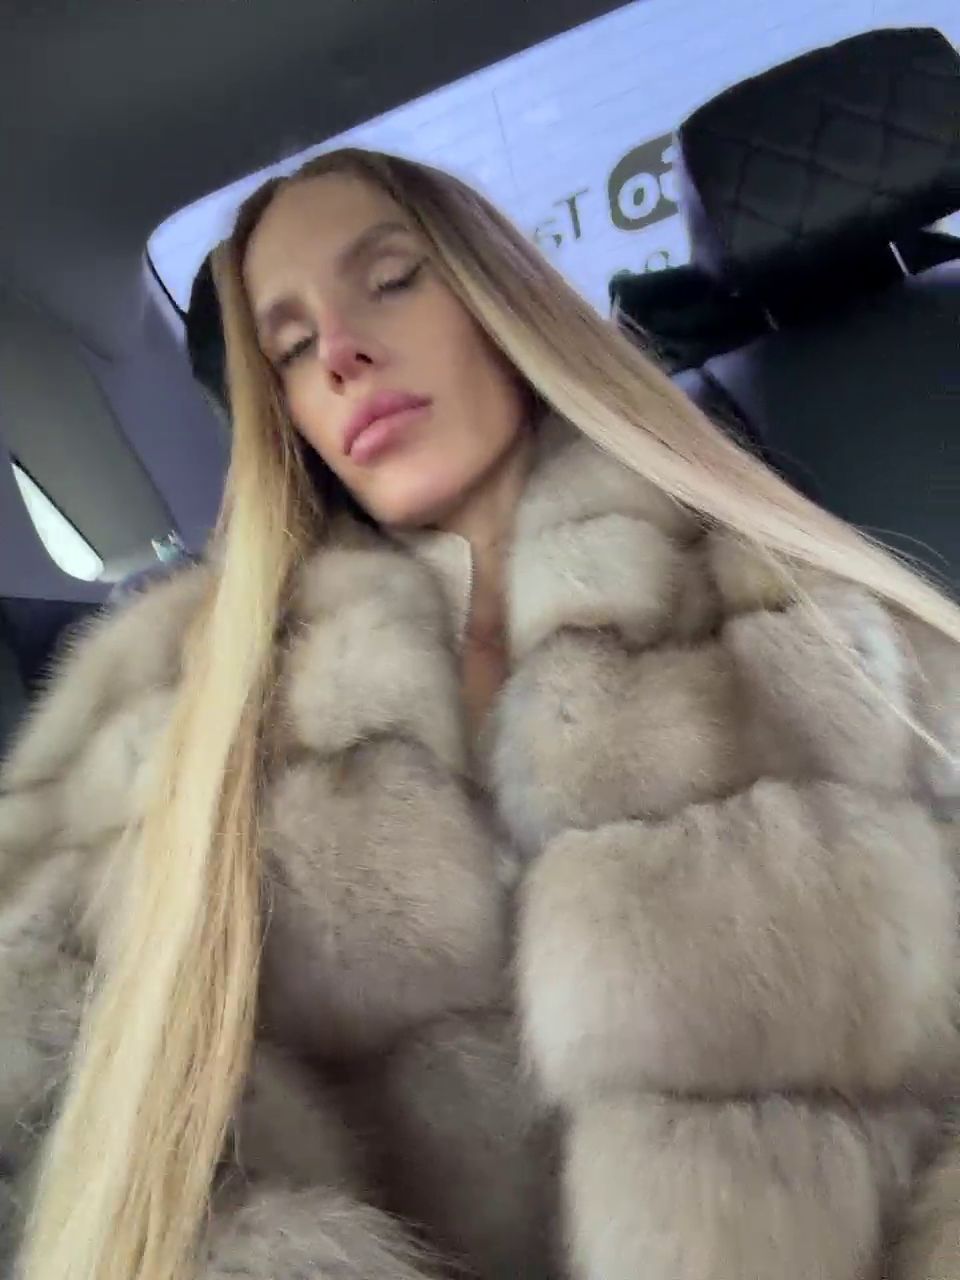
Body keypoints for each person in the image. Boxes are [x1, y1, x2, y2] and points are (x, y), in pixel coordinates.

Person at [1, 148, 958, 1280]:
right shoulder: (171, 700)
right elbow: (37, 1088)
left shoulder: (803, 614)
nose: (342, 353)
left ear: (499, 297)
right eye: (292, 348)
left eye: (391, 279)